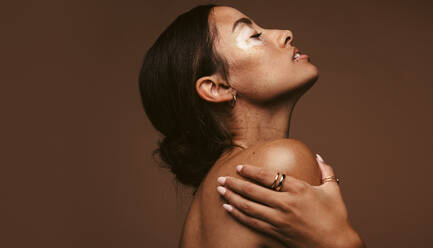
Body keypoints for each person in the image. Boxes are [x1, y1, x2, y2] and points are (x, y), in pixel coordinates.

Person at [138, 4, 365, 248]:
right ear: (219, 87)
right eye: (254, 36)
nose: (285, 33)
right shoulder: (279, 162)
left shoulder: (208, 196)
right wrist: (342, 240)